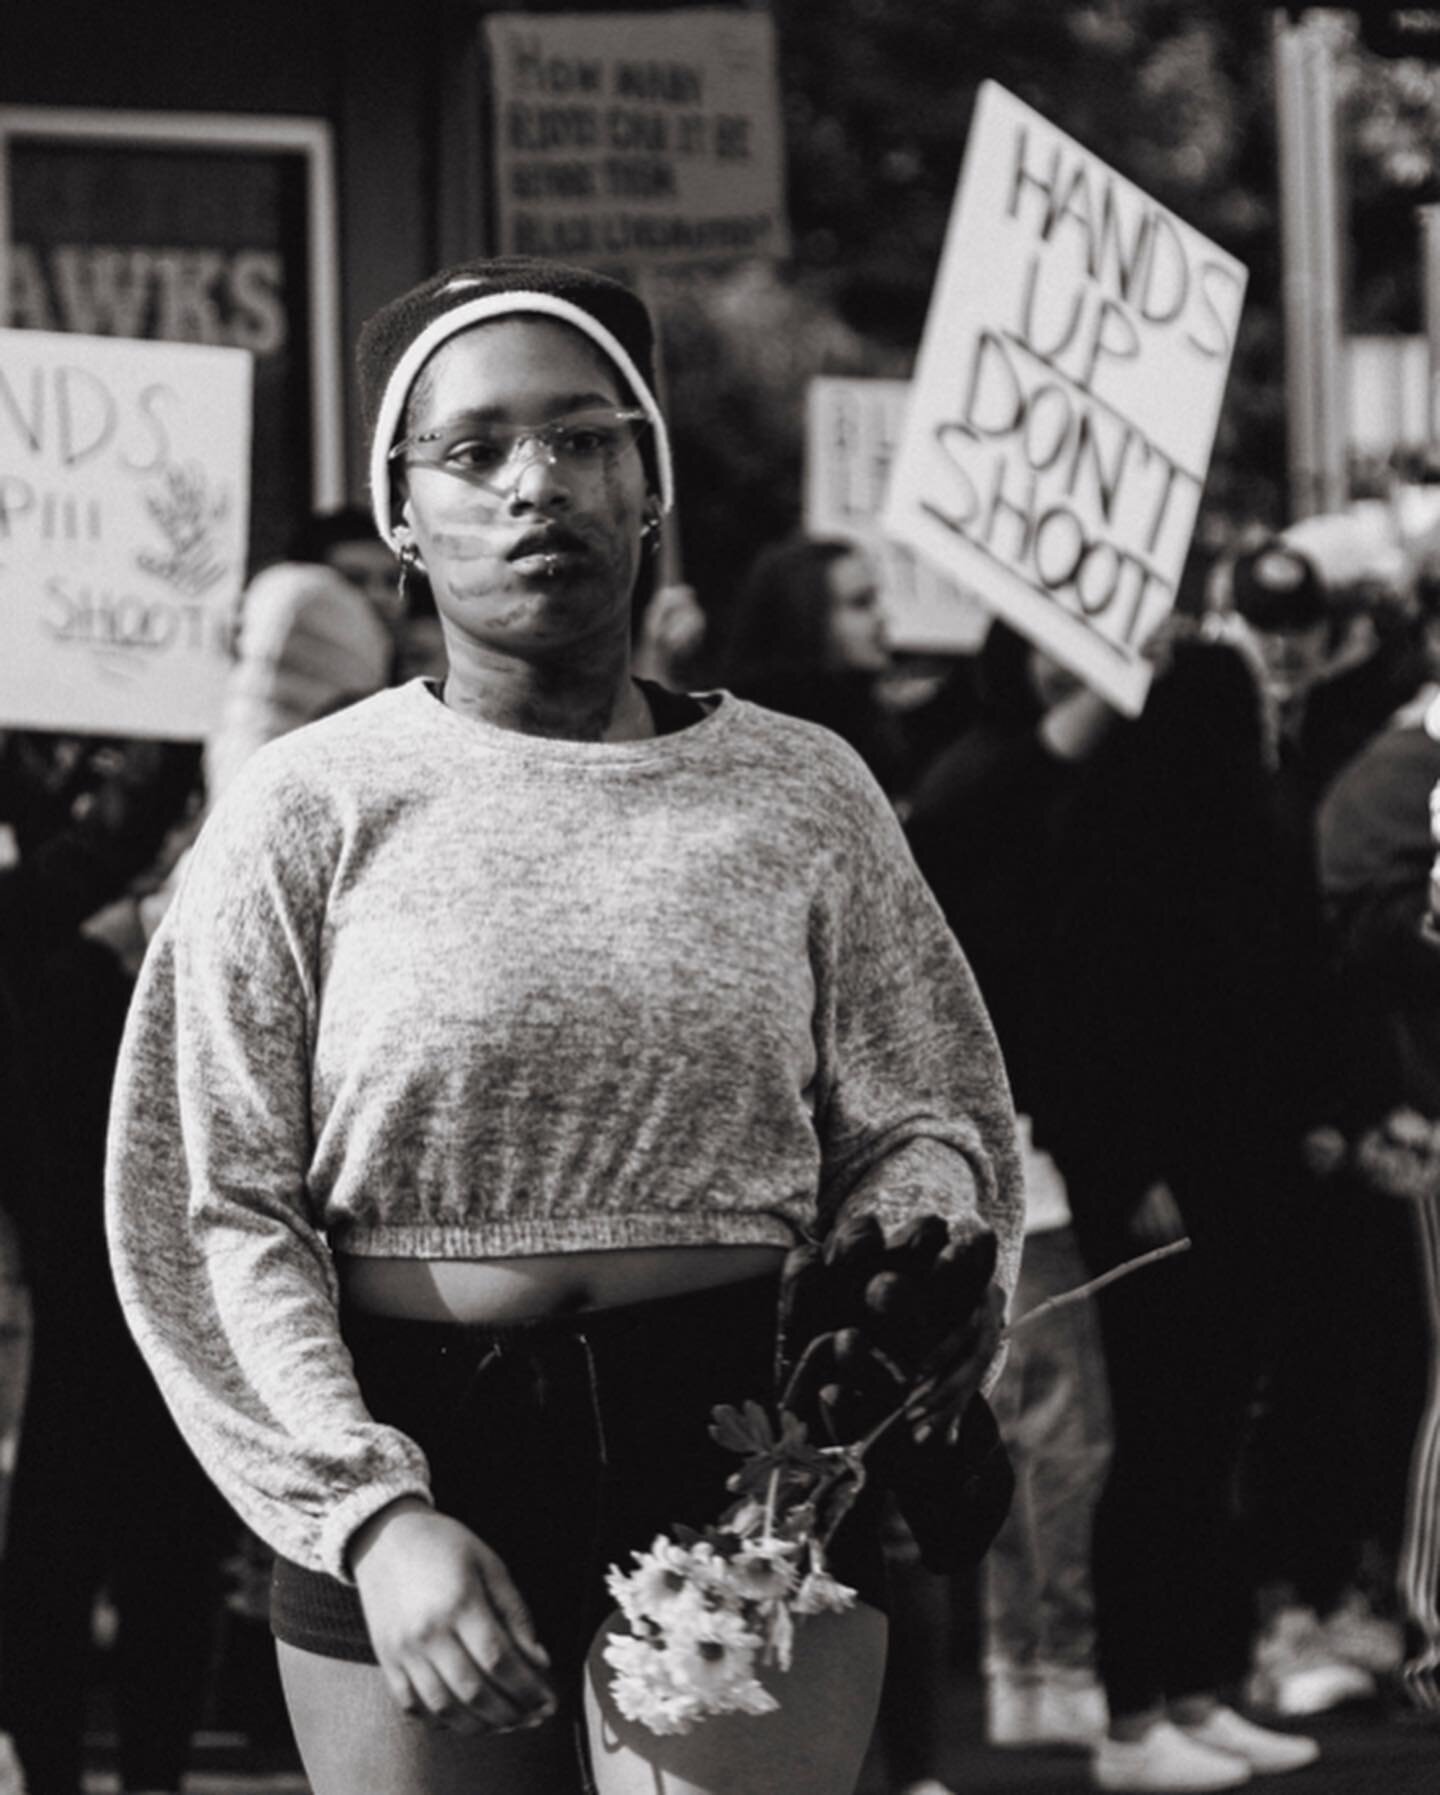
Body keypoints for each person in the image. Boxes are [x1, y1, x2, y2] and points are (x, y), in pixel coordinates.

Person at [104, 255, 1024, 1795]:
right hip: (411, 1435)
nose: (537, 483)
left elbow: (926, 1104)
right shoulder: (303, 808)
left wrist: (906, 1279)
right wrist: (370, 1514)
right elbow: (211, 1200)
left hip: (751, 1446)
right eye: (473, 450)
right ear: (401, 511)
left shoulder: (803, 788)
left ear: (650, 480)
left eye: (586, 436)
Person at [0, 732, 225, 1795]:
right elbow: (39, 910)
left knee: (172, 1533)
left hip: (185, 1246)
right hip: (65, 1233)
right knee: (55, 1521)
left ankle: (152, 1775)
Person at [907, 623, 1115, 1757]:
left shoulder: (983, 783)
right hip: (1009, 1155)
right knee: (1052, 1425)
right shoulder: (985, 785)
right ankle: (1039, 1665)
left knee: (1048, 1425)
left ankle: (1035, 1663)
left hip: (1017, 1145)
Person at [719, 534, 911, 798]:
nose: (882, 617)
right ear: (806, 616)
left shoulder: (867, 719)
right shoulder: (765, 742)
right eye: (860, 603)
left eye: (875, 600)